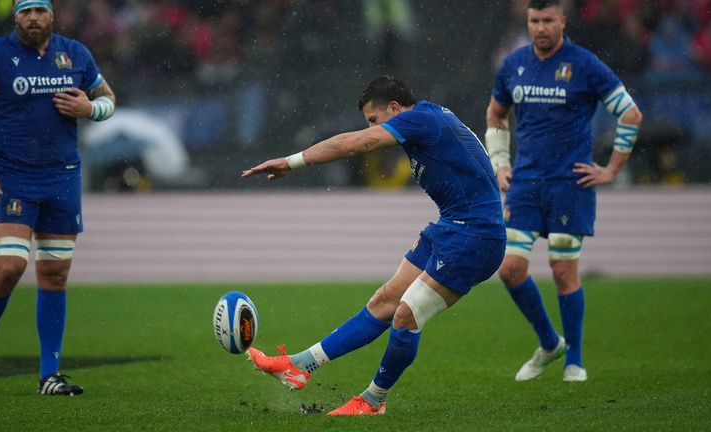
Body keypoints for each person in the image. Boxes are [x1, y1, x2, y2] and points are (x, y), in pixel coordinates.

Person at [242, 75, 506, 415]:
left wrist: (293, 162)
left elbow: (355, 144)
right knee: (384, 302)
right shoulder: (428, 118)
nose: (371, 129)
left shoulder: (419, 119)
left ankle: (373, 401)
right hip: (451, 226)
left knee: (406, 315)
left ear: (395, 108)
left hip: (475, 235)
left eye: (373, 120)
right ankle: (299, 365)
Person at [484, 0, 643, 382]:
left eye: (547, 21)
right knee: (509, 269)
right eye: (534, 21)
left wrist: (611, 170)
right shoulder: (513, 65)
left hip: (570, 184)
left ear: (562, 22)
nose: (540, 28)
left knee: (562, 271)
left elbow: (631, 114)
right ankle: (548, 342)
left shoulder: (585, 65)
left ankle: (575, 358)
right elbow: (495, 113)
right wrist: (500, 162)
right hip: (524, 182)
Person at [0, 0, 116, 395]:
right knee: (8, 268)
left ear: (52, 15)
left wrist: (89, 108)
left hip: (62, 177)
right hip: (12, 176)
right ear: (15, 16)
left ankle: (50, 375)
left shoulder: (75, 53)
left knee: (55, 274)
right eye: (25, 10)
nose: (33, 18)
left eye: (40, 10)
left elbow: (109, 100)